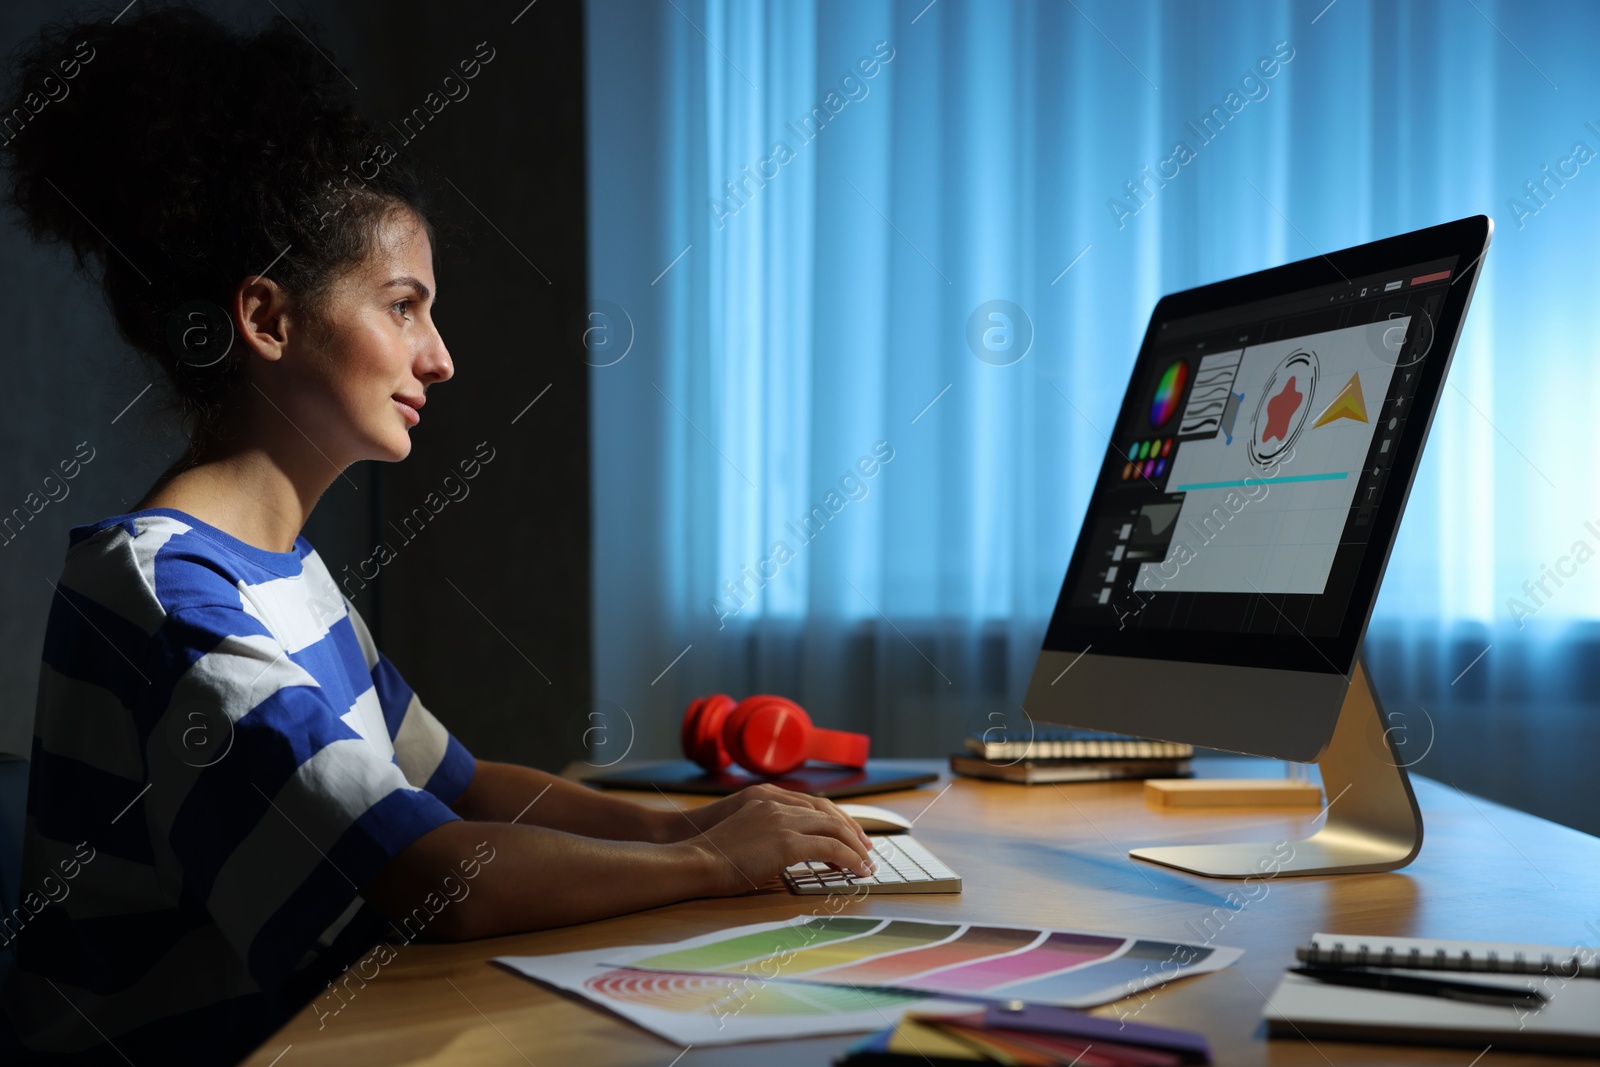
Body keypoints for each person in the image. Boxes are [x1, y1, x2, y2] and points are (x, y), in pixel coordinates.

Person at [0, 5, 873, 1063]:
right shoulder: (171, 597)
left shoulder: (280, 572)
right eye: (404, 307)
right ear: (267, 320)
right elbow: (427, 874)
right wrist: (711, 865)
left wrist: (694, 827)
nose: (442, 358)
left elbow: (458, 784)